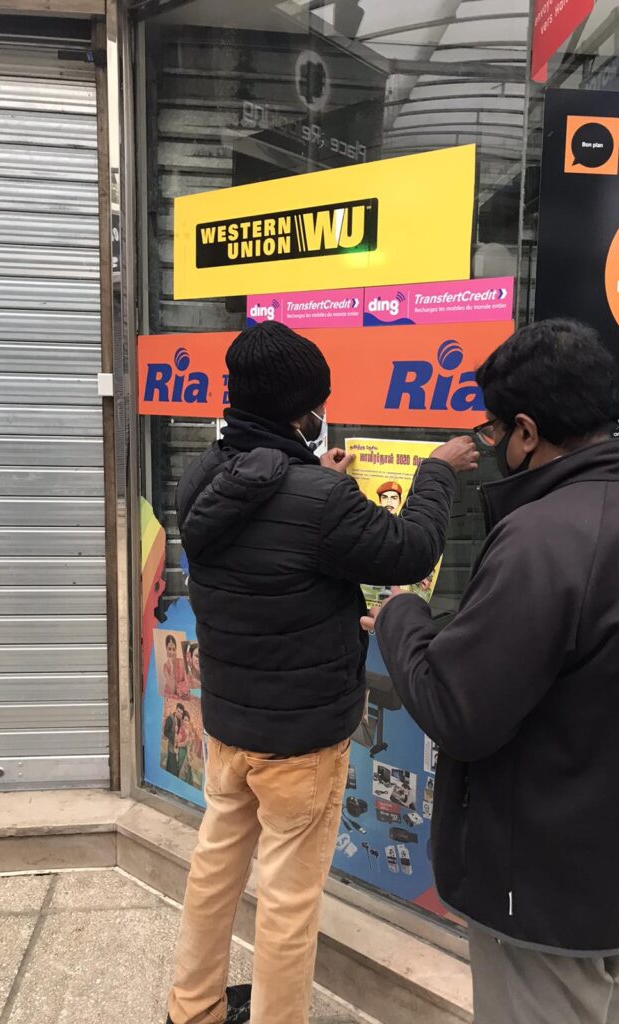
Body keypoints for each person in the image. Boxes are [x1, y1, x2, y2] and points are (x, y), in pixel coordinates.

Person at [363, 320, 619, 1024]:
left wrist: (402, 615)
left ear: (526, 430)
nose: (494, 445)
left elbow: (458, 709)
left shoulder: (543, 538)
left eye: (496, 431)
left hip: (542, 887)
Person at [166, 320, 478, 1024]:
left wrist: (315, 481)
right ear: (304, 412)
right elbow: (411, 548)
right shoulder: (320, 500)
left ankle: (193, 1009)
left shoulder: (202, 475)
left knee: (215, 868)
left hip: (231, 723)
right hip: (302, 741)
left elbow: (267, 518)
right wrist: (435, 471)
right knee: (288, 897)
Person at [163, 702, 185, 777]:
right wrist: (173, 737)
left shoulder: (179, 721)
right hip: (171, 745)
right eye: (178, 711)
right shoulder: (170, 718)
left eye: (181, 713)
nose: (179, 714)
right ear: (175, 709)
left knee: (173, 763)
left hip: (176, 746)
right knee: (172, 763)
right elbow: (165, 732)